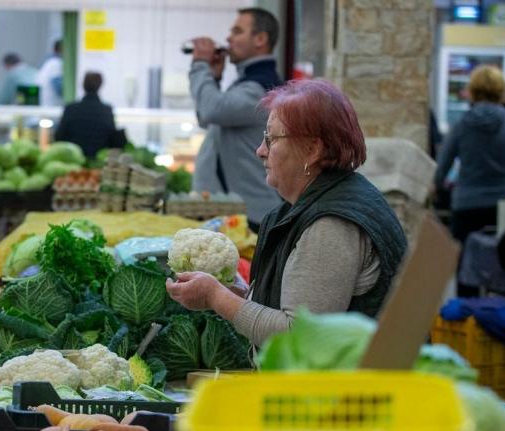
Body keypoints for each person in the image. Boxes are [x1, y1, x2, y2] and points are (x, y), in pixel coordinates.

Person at [166, 79, 407, 346]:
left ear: (312, 150)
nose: (260, 151)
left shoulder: (331, 225)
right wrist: (235, 292)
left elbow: (298, 337)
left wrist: (216, 297)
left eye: (270, 139)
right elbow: (294, 307)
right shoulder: (322, 202)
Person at [189, 7, 284, 230]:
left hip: (250, 217)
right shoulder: (248, 82)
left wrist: (200, 66)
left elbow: (212, 109)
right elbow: (207, 117)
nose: (228, 38)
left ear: (260, 39)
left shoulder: (261, 87)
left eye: (237, 31)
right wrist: (213, 78)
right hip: (235, 213)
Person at [434, 65, 505, 297]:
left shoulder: (462, 124)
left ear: (473, 90)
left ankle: (466, 321)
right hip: (503, 207)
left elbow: (442, 167)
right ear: (501, 91)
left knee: (466, 270)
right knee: (503, 267)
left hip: (467, 205)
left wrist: (438, 187)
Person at [55, 71, 126, 158]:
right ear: (100, 85)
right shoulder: (106, 110)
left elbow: (59, 137)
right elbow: (112, 139)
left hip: (73, 161)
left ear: (83, 85)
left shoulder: (71, 108)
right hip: (98, 163)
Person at [36, 39, 64, 106]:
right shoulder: (57, 64)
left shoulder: (49, 63)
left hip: (45, 106)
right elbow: (60, 89)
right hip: (50, 107)